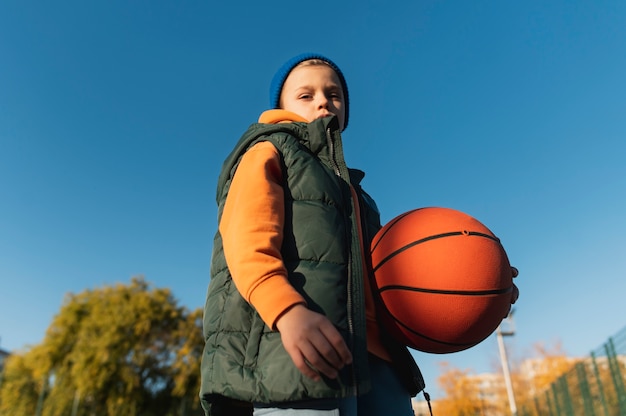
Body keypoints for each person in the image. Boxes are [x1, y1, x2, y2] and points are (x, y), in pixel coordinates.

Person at [199, 53, 518, 416]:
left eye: (334, 93)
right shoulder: (269, 150)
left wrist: (484, 282)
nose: (323, 100)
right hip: (296, 348)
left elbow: (395, 276)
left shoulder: (357, 194)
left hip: (378, 356)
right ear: (281, 108)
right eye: (306, 95)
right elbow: (244, 240)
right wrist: (286, 310)